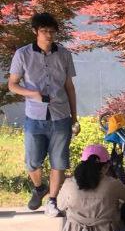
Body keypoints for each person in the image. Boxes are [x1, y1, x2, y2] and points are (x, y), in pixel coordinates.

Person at [7, 12, 78, 215]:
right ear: (35, 31)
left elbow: (69, 87)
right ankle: (39, 188)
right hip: (34, 116)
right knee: (32, 161)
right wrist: (33, 94)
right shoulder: (22, 54)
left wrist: (74, 117)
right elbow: (13, 85)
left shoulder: (64, 54)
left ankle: (52, 201)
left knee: (59, 161)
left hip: (61, 116)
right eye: (44, 31)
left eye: (52, 31)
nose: (48, 35)